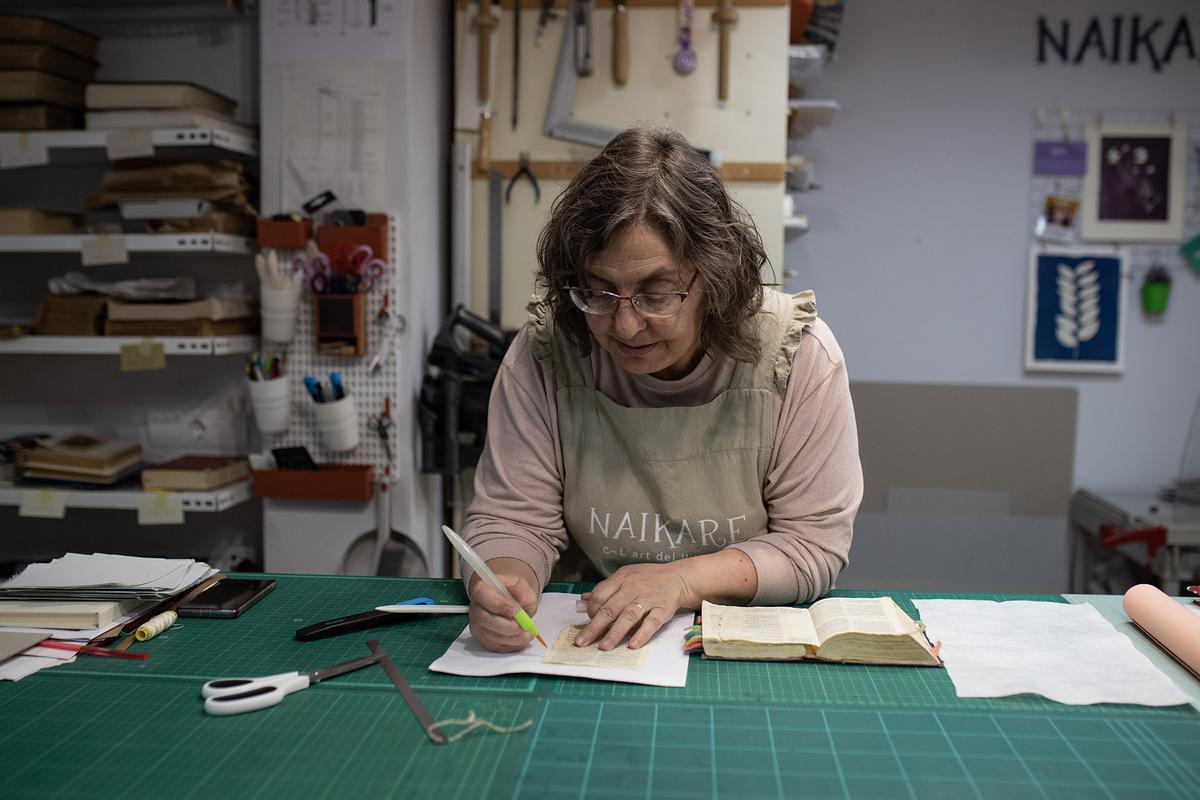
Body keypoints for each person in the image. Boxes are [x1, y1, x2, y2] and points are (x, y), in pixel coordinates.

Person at [461, 127, 862, 653]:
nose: (626, 327)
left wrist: (680, 581)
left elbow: (813, 545)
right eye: (599, 292)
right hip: (601, 635)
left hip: (750, 647)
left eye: (656, 294)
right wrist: (502, 579)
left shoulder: (796, 356)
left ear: (714, 277)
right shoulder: (547, 354)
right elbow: (513, 518)